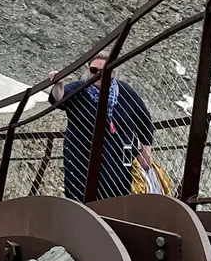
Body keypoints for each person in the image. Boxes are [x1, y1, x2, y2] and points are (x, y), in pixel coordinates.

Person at [48, 54, 155, 202]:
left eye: (104, 71)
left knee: (117, 201)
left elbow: (144, 120)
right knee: (83, 202)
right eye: (94, 70)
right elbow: (58, 99)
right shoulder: (79, 89)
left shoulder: (125, 91)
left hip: (118, 163)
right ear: (88, 70)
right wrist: (58, 84)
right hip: (82, 162)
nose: (98, 75)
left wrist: (146, 148)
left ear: (113, 73)